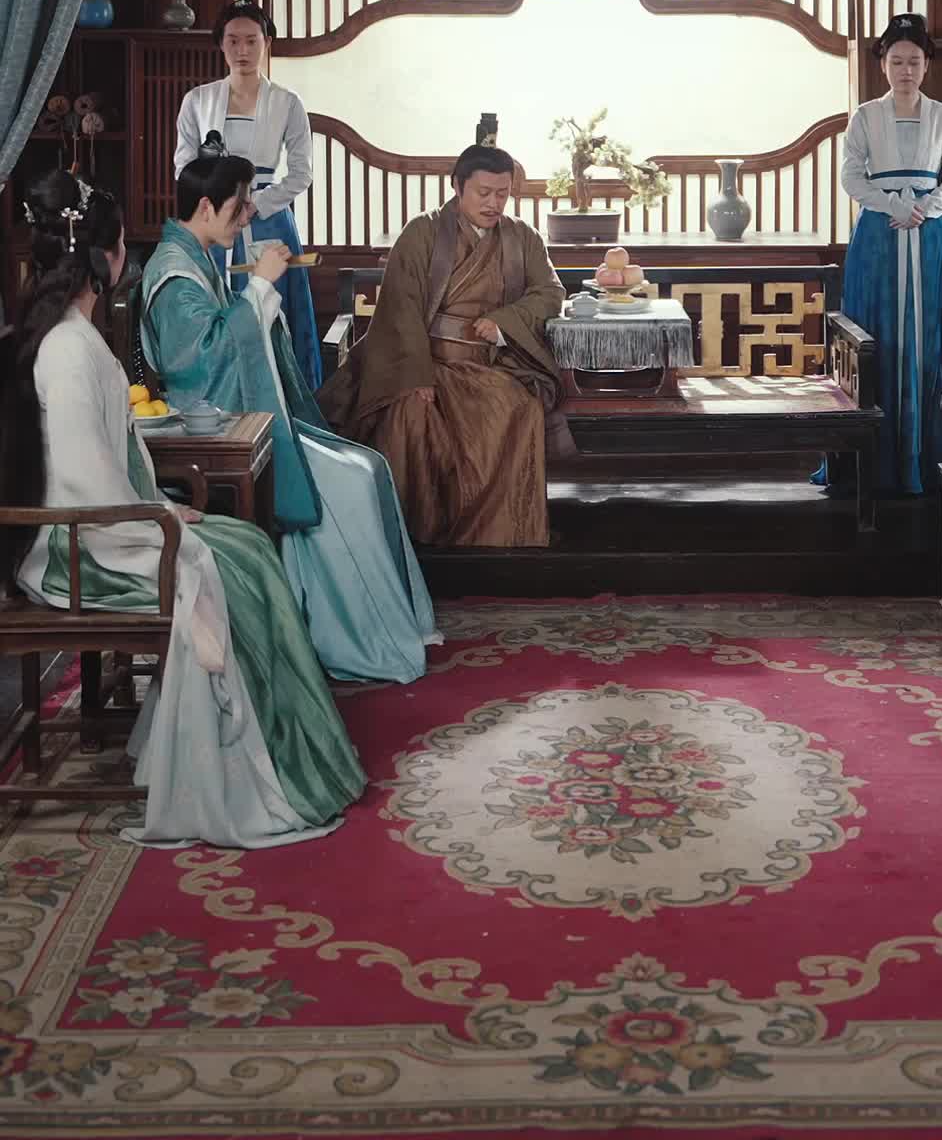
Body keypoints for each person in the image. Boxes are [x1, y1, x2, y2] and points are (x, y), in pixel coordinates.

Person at [12, 169, 365, 847]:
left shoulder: (70, 335)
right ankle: (260, 769)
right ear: (104, 258)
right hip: (78, 547)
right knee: (236, 566)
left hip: (102, 523)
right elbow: (87, 480)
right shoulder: (67, 349)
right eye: (122, 245)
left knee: (250, 547)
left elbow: (101, 468)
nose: (128, 257)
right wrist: (162, 519)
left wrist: (159, 509)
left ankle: (284, 753)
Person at [139, 142, 440, 682]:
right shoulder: (175, 273)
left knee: (368, 464)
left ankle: (387, 624)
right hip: (210, 422)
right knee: (349, 482)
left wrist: (259, 294)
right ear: (205, 207)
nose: (248, 216)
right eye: (240, 205)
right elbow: (205, 360)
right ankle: (345, 636)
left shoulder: (196, 255)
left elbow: (231, 332)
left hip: (237, 413)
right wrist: (258, 287)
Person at [319, 146, 565, 547]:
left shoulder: (522, 237)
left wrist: (505, 322)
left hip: (489, 363)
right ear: (457, 186)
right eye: (483, 192)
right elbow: (402, 307)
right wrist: (416, 375)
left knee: (519, 409)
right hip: (426, 360)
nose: (493, 203)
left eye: (502, 193)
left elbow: (551, 293)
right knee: (410, 415)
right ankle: (415, 541)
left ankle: (498, 538)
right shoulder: (423, 232)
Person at [839, 11, 942, 493]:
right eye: (896, 60)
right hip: (878, 233)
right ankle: (876, 457)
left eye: (914, 61)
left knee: (934, 331)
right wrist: (892, 205)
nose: (905, 70)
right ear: (883, 64)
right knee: (877, 332)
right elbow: (851, 176)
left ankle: (937, 455)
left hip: (932, 231)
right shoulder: (864, 116)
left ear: (927, 65)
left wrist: (925, 207)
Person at [175, 0, 322, 388]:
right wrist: (219, 204)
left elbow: (302, 173)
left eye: (251, 41)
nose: (242, 50)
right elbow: (183, 167)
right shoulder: (198, 100)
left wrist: (256, 204)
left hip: (268, 218)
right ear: (220, 44)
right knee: (216, 308)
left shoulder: (288, 102)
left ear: (266, 42)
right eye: (233, 41)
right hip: (213, 220)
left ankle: (284, 398)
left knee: (276, 310)